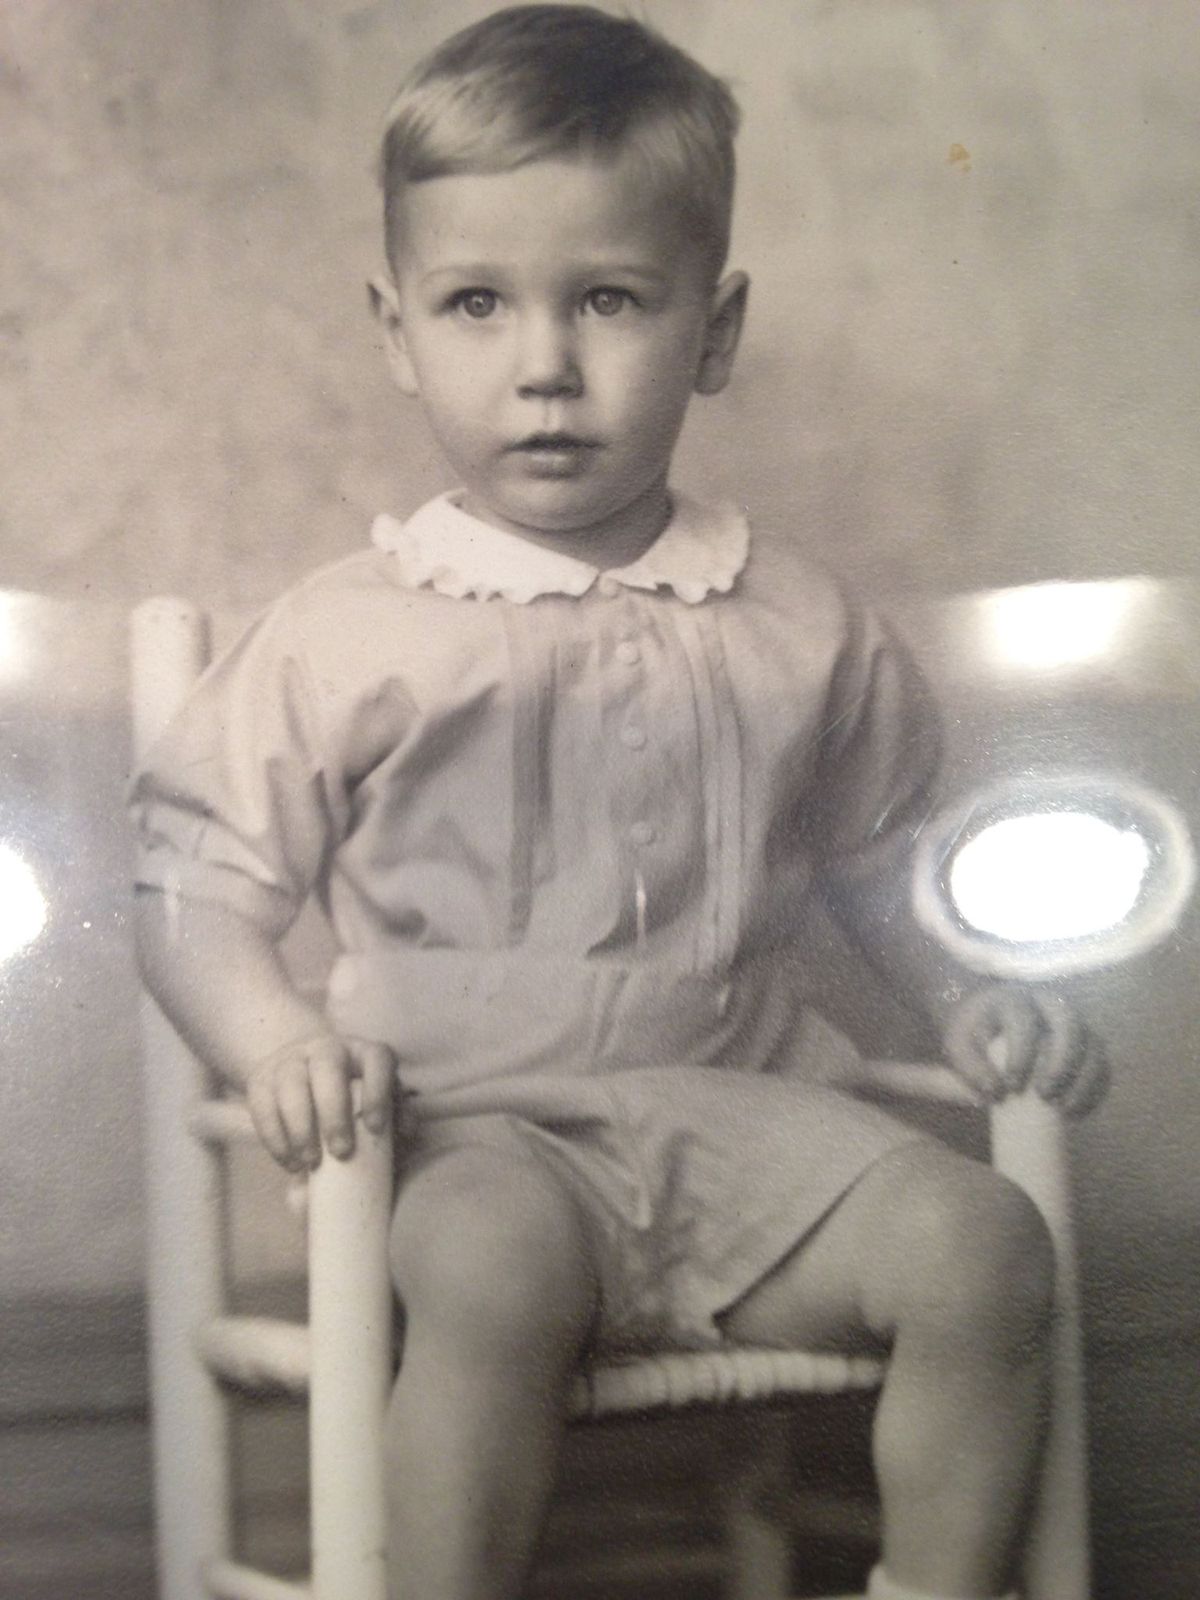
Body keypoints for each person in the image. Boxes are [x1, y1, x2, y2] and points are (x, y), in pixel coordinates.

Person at [131, 9, 1108, 1598]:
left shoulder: (799, 619)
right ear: (396, 330)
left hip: (755, 1130)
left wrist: (965, 995)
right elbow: (196, 893)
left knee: (984, 1245)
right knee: (489, 1261)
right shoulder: (347, 632)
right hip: (473, 1144)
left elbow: (881, 863)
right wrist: (278, 1044)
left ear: (712, 331)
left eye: (609, 299)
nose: (545, 366)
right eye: (476, 303)